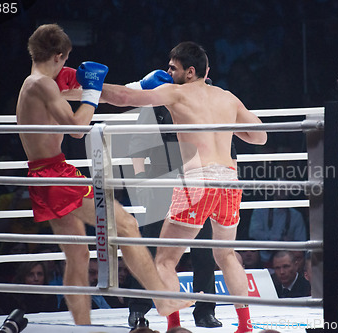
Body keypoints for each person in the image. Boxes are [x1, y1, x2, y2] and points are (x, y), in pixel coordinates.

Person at [16, 23, 193, 325]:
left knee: (79, 256)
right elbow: (77, 128)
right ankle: (163, 300)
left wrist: (138, 86)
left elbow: (110, 94)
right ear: (60, 55)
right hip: (55, 175)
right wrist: (93, 93)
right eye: (66, 60)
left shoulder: (37, 82)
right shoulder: (43, 85)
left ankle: (82, 325)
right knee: (126, 224)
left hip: (46, 173)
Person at [101, 41, 267, 333]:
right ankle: (245, 327)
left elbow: (126, 96)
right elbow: (259, 136)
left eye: (173, 68)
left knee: (164, 260)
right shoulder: (227, 97)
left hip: (198, 180)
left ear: (190, 72)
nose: (167, 72)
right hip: (229, 179)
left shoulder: (176, 93)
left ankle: (174, 325)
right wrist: (225, 126)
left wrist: (88, 90)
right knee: (226, 255)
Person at [126, 76, 233, 329]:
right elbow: (137, 145)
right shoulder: (157, 99)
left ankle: (205, 311)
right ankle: (138, 308)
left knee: (203, 246)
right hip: (162, 178)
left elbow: (226, 145)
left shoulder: (211, 101)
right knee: (151, 246)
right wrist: (143, 183)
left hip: (200, 178)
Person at [249, 188, 308, 266]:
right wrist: (276, 239)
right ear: (272, 189)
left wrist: (289, 243)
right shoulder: (260, 211)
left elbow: (301, 242)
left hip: (287, 261)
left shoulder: (296, 216)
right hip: (261, 258)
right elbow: (253, 233)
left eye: (285, 187)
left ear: (290, 190)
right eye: (279, 187)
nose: (282, 190)